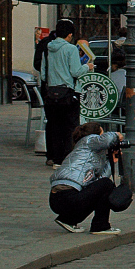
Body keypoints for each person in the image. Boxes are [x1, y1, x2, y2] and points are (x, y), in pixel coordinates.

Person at [49, 122, 130, 235]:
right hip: (67, 197)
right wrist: (117, 135)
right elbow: (107, 140)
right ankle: (100, 225)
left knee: (103, 186)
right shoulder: (89, 140)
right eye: (102, 134)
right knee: (106, 184)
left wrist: (112, 159)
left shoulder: (85, 150)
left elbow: (100, 183)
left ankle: (67, 220)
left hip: (57, 200)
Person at [39, 19, 87, 167]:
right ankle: (67, 158)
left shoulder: (47, 48)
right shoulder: (71, 49)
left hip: (51, 93)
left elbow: (42, 74)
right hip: (68, 93)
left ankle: (54, 158)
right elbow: (75, 71)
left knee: (54, 126)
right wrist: (87, 66)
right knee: (69, 127)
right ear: (70, 35)